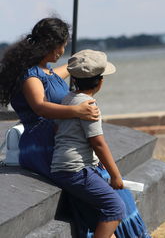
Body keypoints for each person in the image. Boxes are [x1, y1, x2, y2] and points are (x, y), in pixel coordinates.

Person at [51, 49, 151, 238]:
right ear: (100, 81)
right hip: (77, 170)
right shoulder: (89, 106)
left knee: (101, 216)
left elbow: (58, 130)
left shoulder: (66, 100)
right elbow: (98, 142)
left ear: (74, 79)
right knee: (116, 208)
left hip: (63, 167)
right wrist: (115, 176)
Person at [0, 17, 99, 178]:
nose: (63, 51)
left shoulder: (45, 71)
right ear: (52, 45)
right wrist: (77, 110)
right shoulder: (31, 75)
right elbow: (40, 106)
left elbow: (54, 78)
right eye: (63, 46)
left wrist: (77, 64)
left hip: (52, 141)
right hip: (41, 146)